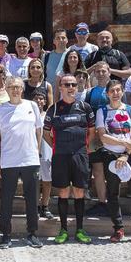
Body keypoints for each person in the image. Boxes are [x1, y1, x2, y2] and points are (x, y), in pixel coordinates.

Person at [0, 77, 44, 249]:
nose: (15, 90)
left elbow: (39, 129)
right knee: (6, 199)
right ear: (6, 89)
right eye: (12, 87)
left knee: (32, 198)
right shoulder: (0, 110)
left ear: (22, 89)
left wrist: (36, 149)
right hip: (9, 161)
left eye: (18, 87)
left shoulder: (32, 106)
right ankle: (6, 235)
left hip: (30, 159)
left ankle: (33, 233)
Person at [43, 75, 95, 245]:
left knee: (79, 191)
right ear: (61, 87)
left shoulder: (85, 107)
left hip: (80, 155)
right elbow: (45, 133)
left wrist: (86, 149)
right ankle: (63, 229)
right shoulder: (54, 109)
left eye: (74, 84)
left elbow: (92, 131)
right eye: (67, 84)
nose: (71, 87)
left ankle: (80, 229)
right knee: (63, 192)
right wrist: (56, 147)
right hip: (61, 156)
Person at [96, 79, 131, 244]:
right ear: (107, 93)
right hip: (110, 156)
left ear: (123, 91)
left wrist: (125, 153)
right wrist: (124, 143)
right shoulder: (102, 111)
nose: (115, 93)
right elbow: (103, 136)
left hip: (130, 156)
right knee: (112, 193)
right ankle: (118, 228)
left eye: (118, 90)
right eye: (112, 91)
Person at [84, 61, 111, 216]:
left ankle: (113, 201)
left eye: (103, 71)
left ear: (109, 72)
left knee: (113, 172)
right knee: (98, 171)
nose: (101, 74)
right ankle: (102, 202)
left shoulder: (115, 90)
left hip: (114, 137)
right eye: (98, 71)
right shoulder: (90, 92)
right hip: (95, 138)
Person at [32, 89, 53, 220]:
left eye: (41, 99)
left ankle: (45, 206)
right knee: (34, 181)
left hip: (46, 151)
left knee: (47, 180)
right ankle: (34, 206)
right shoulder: (28, 114)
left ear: (45, 101)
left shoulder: (49, 116)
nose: (39, 101)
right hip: (31, 152)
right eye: (36, 98)